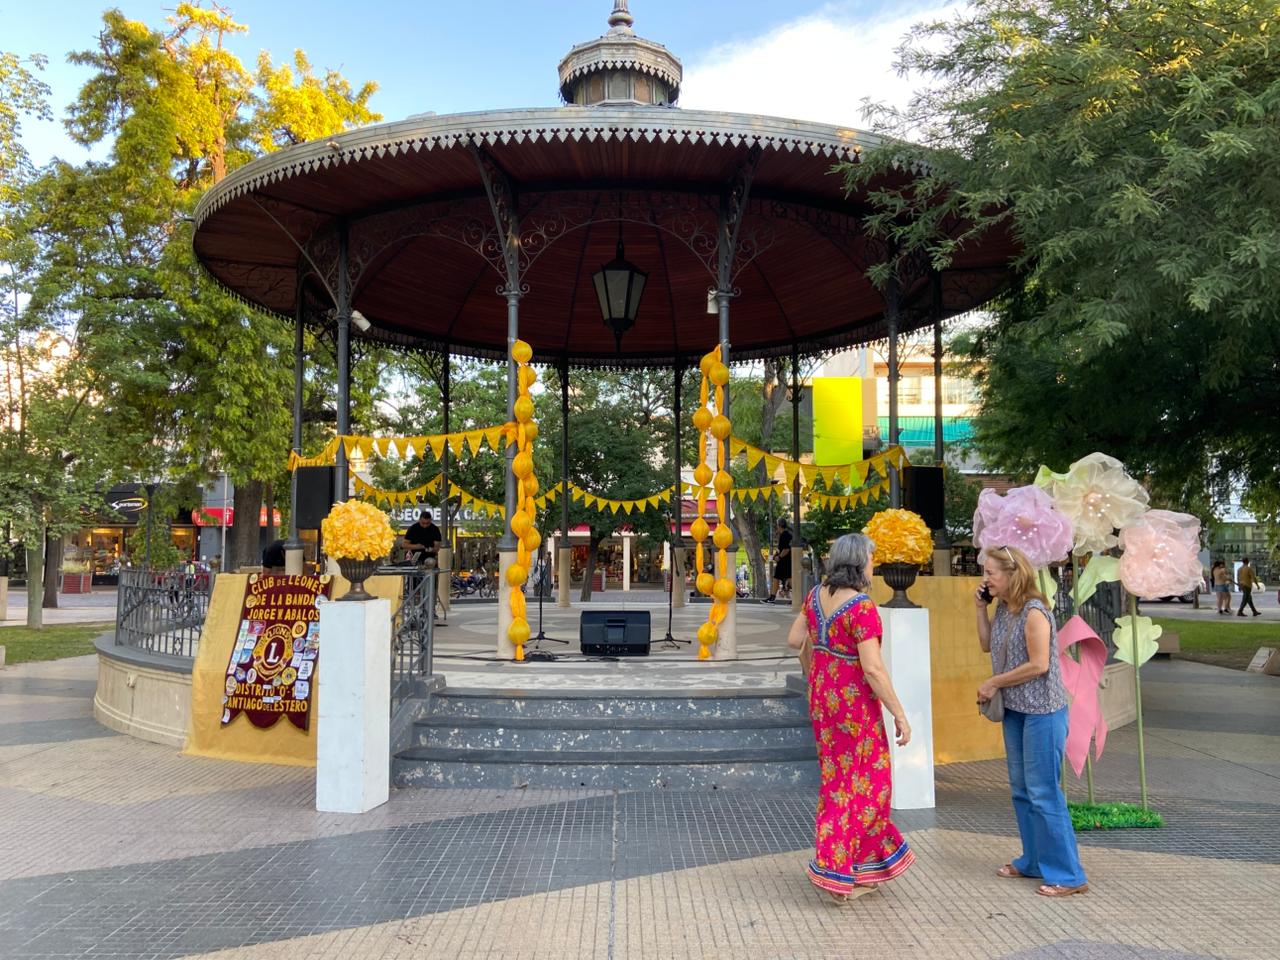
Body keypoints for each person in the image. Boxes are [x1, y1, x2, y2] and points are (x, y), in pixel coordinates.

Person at [786, 532, 914, 902]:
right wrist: (900, 714)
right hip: (854, 708)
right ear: (859, 563)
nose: (874, 566)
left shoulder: (815, 596)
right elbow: (872, 668)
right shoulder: (861, 607)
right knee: (870, 785)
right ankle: (841, 871)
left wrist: (814, 669)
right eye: (871, 560)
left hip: (823, 702)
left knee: (837, 782)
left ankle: (848, 867)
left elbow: (795, 641)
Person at [976, 545, 1089, 898]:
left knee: (1043, 792)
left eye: (991, 573)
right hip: (1016, 711)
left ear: (1012, 574)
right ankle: (1034, 861)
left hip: (1043, 712)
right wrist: (979, 608)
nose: (985, 579)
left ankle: (1069, 875)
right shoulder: (1003, 608)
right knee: (1022, 791)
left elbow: (1039, 664)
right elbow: (986, 644)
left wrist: (994, 682)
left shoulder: (1034, 612)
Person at [766, 519, 792, 603]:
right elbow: (780, 549)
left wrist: (779, 557)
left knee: (779, 578)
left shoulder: (785, 535)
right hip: (785, 561)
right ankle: (772, 597)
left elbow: (786, 549)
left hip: (785, 562)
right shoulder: (785, 535)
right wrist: (775, 556)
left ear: (779, 525)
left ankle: (772, 597)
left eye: (777, 525)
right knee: (782, 578)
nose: (776, 527)